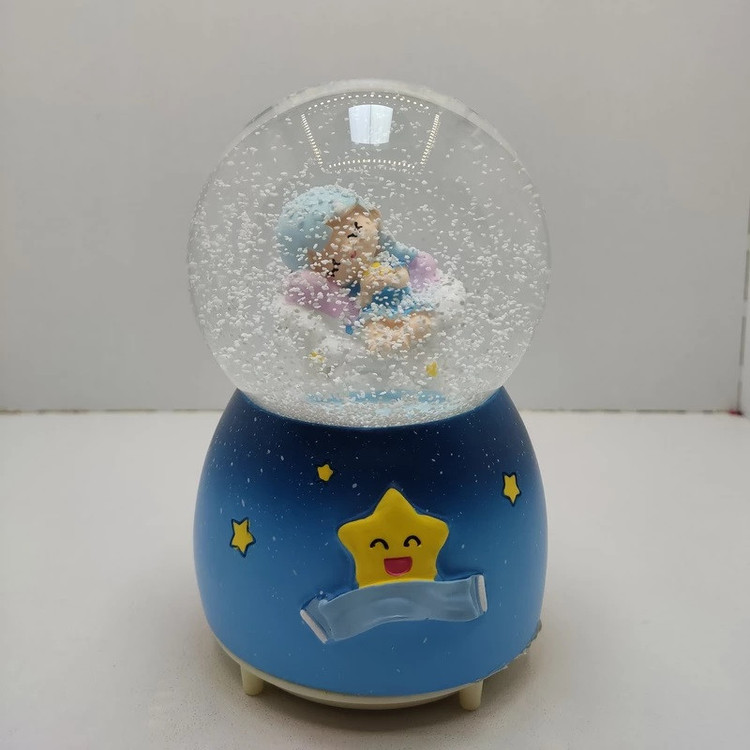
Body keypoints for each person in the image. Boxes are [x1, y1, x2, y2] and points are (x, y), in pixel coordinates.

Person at [277, 186, 439, 355]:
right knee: (373, 332)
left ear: (374, 216)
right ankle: (387, 346)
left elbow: (404, 276)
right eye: (334, 263)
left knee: (421, 322)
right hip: (374, 314)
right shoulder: (347, 293)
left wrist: (393, 279)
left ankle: (407, 339)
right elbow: (361, 304)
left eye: (354, 232)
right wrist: (367, 290)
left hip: (404, 304)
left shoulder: (388, 259)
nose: (348, 249)